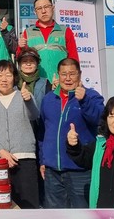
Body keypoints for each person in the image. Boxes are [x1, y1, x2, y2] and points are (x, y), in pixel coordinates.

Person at [39, 57, 104, 209]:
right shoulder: (48, 99)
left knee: (83, 216)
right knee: (56, 218)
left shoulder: (91, 96)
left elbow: (100, 119)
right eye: (64, 74)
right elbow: (42, 132)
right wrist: (43, 160)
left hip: (80, 171)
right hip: (52, 172)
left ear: (79, 75)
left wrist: (84, 100)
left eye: (72, 74)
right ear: (58, 75)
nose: (67, 78)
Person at [0, 60, 40, 209]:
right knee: (3, 205)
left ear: (14, 77)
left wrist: (28, 100)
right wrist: (2, 153)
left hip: (25, 159)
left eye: (8, 75)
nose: (4, 79)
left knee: (28, 206)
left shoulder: (25, 96)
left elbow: (34, 115)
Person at [18, 0, 79, 81]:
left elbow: (73, 58)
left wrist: (75, 79)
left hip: (60, 82)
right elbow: (20, 59)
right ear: (35, 12)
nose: (43, 11)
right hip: (36, 83)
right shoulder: (28, 32)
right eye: (39, 8)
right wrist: (22, 48)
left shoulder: (65, 31)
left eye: (46, 7)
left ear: (53, 8)